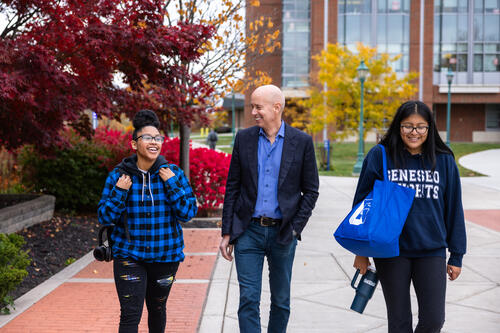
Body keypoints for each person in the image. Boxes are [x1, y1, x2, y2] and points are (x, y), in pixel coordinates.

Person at [352, 101, 466, 333]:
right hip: (391, 250)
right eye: (408, 126)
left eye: (421, 127)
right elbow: (362, 206)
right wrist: (360, 251)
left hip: (431, 249)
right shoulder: (380, 156)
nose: (414, 132)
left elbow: (454, 208)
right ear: (398, 126)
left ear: (430, 128)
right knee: (399, 322)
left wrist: (457, 255)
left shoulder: (444, 160)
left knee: (434, 321)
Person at [219, 84, 319, 333]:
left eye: (257, 107)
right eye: (252, 106)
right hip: (248, 232)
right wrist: (227, 232)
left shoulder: (302, 142)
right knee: (248, 300)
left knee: (281, 301)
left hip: (283, 234)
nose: (253, 112)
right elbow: (233, 186)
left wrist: (295, 228)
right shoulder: (244, 139)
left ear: (277, 108)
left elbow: (311, 191)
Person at [98, 109, 198, 333]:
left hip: (166, 256)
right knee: (130, 315)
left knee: (157, 309)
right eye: (147, 138)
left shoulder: (173, 173)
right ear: (134, 144)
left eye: (157, 138)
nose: (154, 142)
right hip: (129, 256)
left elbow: (188, 213)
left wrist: (172, 185)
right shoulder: (118, 176)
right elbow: (104, 217)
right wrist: (120, 192)